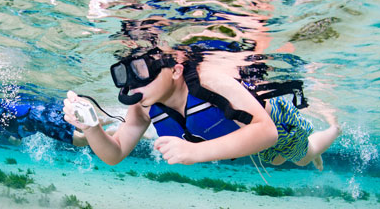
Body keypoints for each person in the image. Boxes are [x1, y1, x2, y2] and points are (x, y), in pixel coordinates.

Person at [63, 47, 340, 170]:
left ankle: (333, 129)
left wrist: (195, 152)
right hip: (239, 141)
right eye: (126, 75)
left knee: (302, 156)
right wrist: (92, 128)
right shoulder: (145, 106)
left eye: (142, 71)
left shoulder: (209, 79)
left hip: (275, 121)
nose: (133, 85)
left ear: (175, 70)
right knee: (276, 161)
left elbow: (267, 133)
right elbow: (115, 153)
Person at [0, 96, 117, 147]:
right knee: (81, 132)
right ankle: (113, 120)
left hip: (38, 119)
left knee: (81, 140)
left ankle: (119, 129)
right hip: (40, 116)